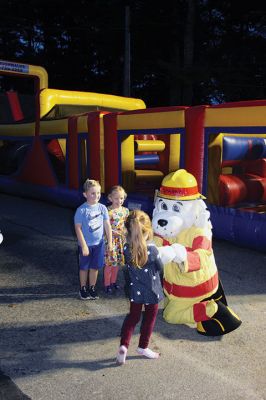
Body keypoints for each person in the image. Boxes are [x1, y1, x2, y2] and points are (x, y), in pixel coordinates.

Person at [116, 210, 164, 365]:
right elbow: (160, 267)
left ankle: (124, 345)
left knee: (133, 317)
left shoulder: (126, 249)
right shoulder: (153, 250)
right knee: (149, 318)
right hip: (152, 291)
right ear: (147, 230)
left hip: (135, 290)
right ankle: (143, 347)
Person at [74, 179, 112, 300]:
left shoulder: (102, 208)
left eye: (99, 193)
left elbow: (107, 225)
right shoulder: (81, 210)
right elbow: (78, 229)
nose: (96, 196)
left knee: (95, 267)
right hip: (86, 245)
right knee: (84, 267)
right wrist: (84, 245)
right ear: (85, 194)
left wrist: (110, 242)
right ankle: (83, 288)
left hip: (99, 244)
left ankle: (92, 287)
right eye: (93, 193)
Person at [104, 185, 129, 294]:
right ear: (110, 198)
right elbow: (103, 227)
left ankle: (113, 282)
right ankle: (107, 284)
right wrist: (112, 233)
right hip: (110, 240)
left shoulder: (125, 211)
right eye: (116, 198)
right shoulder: (107, 211)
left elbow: (126, 225)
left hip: (120, 241)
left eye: (122, 198)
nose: (119, 201)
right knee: (109, 263)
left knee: (117, 263)